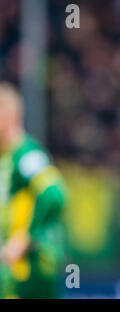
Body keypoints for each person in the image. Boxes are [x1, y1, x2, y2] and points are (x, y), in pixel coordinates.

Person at [0, 82, 66, 298]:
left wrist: (25, 239)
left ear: (8, 115)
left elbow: (54, 194)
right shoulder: (7, 157)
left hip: (30, 267)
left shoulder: (27, 155)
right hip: (13, 269)